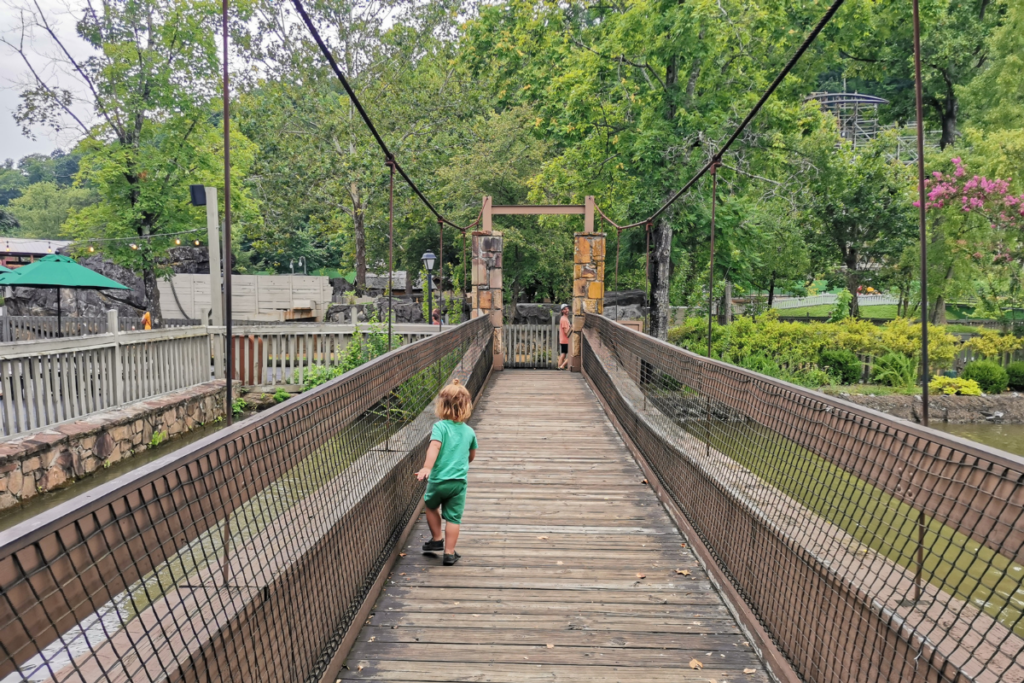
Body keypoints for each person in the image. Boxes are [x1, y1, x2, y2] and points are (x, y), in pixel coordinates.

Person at [417, 378, 478, 565]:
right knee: (454, 518)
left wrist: (427, 467)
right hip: (458, 482)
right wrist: (463, 461)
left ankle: (436, 539)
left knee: (430, 505)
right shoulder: (469, 432)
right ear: (466, 407)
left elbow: (434, 447)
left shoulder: (440, 427)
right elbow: (471, 455)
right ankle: (449, 553)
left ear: (441, 406)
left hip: (438, 480)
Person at [557, 304, 571, 370]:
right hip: (566, 340)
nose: (567, 310)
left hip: (563, 340)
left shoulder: (564, 318)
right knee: (571, 354)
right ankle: (562, 365)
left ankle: (559, 366)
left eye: (567, 308)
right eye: (565, 309)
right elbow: (566, 331)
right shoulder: (564, 319)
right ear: (562, 311)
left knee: (563, 353)